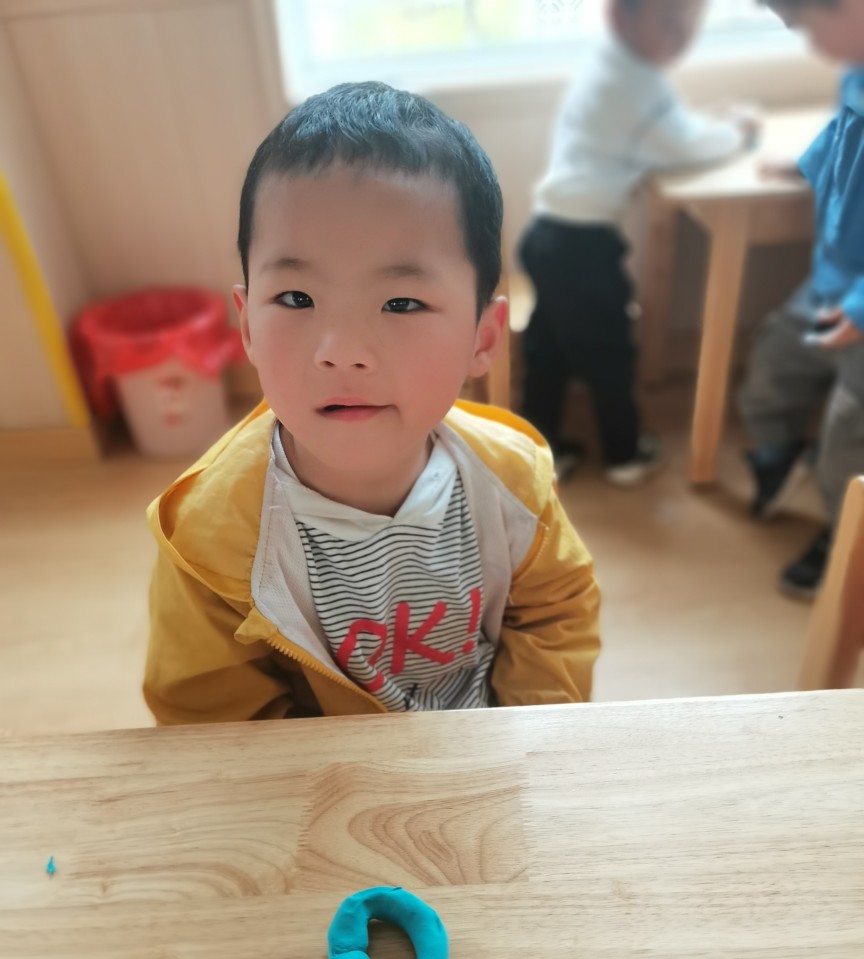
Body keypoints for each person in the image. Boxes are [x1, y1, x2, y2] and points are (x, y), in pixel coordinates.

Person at [144, 81, 601, 725]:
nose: (342, 352)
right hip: (323, 778)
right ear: (247, 325)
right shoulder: (207, 537)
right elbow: (212, 715)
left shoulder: (514, 482)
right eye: (297, 299)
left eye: (402, 303)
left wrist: (518, 741)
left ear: (482, 338)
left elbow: (556, 615)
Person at [519, 0, 756, 485]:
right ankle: (624, 455)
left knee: (550, 352)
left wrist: (706, 124)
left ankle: (542, 451)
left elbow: (665, 131)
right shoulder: (631, 82)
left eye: (690, 26)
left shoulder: (614, 68)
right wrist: (738, 130)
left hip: (550, 236)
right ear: (619, 17)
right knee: (609, 353)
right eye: (669, 25)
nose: (682, 38)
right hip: (581, 248)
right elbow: (684, 145)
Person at [739, 0, 864, 599]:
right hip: (830, 281)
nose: (811, 43)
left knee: (850, 435)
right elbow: (843, 133)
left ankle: (848, 541)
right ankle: (780, 456)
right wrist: (804, 163)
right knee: (773, 360)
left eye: (812, 25)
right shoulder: (855, 70)